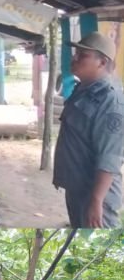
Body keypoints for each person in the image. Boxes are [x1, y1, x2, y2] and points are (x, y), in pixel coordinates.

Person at [53, 31, 124, 228]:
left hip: (95, 195)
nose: (74, 58)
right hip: (77, 189)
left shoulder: (110, 100)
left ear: (102, 62)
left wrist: (97, 200)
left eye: (83, 55)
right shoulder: (83, 89)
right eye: (76, 53)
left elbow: (110, 156)